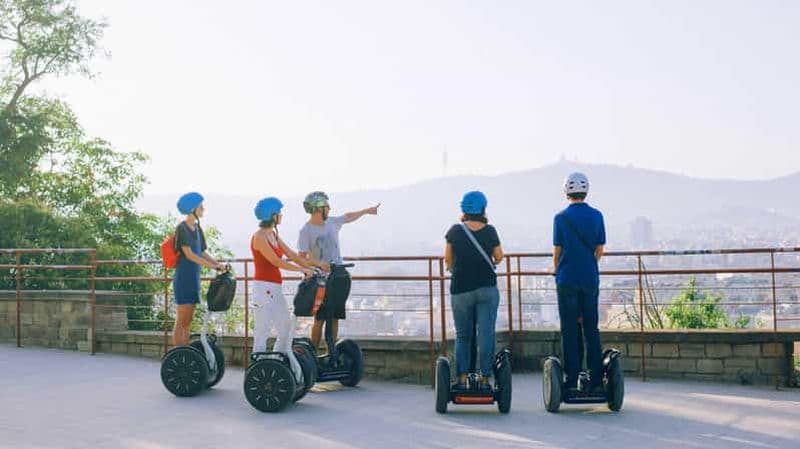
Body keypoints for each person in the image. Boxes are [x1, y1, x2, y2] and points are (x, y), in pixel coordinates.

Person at [250, 197, 323, 382]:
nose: (281, 215)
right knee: (263, 330)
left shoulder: (273, 234)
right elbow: (276, 261)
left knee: (286, 328)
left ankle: (276, 364)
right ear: (272, 215)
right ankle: (257, 372)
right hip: (263, 288)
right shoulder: (258, 237)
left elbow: (290, 254)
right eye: (279, 213)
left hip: (274, 288)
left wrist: (312, 267)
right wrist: (302, 270)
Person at [297, 191, 379, 349]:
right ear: (319, 208)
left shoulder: (333, 223)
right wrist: (320, 264)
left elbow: (348, 216)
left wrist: (367, 211)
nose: (330, 208)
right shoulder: (306, 230)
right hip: (320, 279)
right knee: (319, 319)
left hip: (338, 276)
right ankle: (313, 354)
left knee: (335, 317)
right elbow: (302, 257)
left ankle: (331, 352)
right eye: (327, 206)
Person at [444, 191, 504, 389]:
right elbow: (499, 256)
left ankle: (461, 378)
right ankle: (485, 378)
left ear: (463, 210)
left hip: (461, 289)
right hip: (487, 288)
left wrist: (457, 270)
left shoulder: (454, 231)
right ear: (483, 209)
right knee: (486, 334)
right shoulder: (490, 231)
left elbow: (448, 260)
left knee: (463, 335)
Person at [552, 172, 606, 393]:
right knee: (591, 328)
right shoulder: (597, 216)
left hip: (567, 279)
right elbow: (599, 249)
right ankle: (595, 378)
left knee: (569, 329)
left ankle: (571, 377)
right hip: (589, 278)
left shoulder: (560, 218)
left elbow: (558, 251)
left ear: (566, 192)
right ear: (586, 191)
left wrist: (557, 269)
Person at [172, 192, 227, 346]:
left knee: (188, 320)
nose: (203, 208)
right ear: (192, 209)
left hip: (193, 279)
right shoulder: (181, 228)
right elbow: (189, 255)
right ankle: (178, 353)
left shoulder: (197, 228)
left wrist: (217, 264)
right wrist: (212, 266)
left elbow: (202, 252)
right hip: (183, 278)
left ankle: (185, 352)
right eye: (200, 206)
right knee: (181, 320)